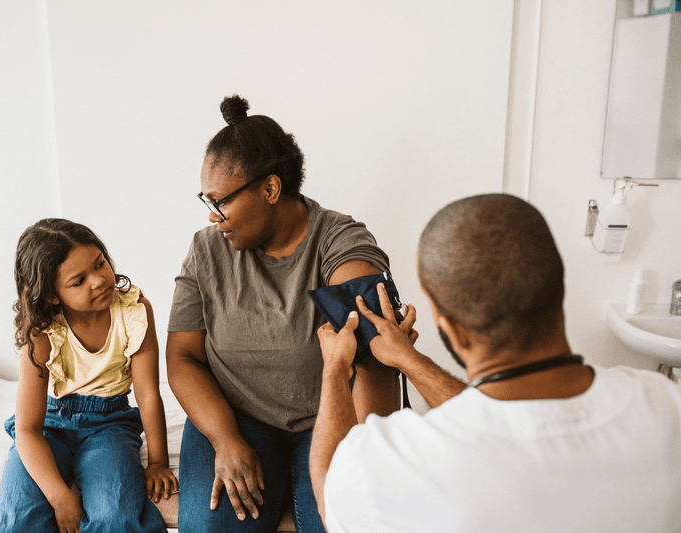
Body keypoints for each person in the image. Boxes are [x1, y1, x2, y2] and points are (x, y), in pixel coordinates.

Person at [311, 193, 681, 533]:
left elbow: (331, 496)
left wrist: (335, 369)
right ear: (559, 286)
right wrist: (410, 361)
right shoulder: (667, 405)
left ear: (446, 323)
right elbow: (502, 417)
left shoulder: (402, 462)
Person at [166, 95, 401, 533]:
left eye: (222, 202)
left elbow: (373, 356)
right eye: (207, 202)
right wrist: (225, 439)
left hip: (326, 419)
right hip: (236, 416)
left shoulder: (340, 242)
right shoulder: (206, 250)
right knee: (211, 526)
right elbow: (182, 358)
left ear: (270, 189)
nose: (214, 217)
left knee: (346, 523)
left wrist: (366, 467)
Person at [0, 219, 177, 533]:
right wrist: (61, 498)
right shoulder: (42, 333)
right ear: (52, 295)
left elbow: (147, 394)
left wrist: (157, 462)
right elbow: (28, 430)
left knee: (115, 517)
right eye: (79, 281)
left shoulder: (133, 310)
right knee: (19, 518)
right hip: (50, 423)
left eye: (100, 264)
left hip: (110, 423)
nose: (99, 280)